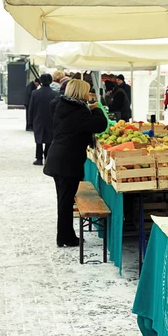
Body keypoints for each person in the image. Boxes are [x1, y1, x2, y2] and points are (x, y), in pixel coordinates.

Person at [43, 79, 107, 247]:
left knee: (64, 200)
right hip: (67, 161)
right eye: (86, 91)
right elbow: (100, 125)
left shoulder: (61, 105)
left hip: (58, 158)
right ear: (80, 93)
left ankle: (67, 234)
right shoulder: (78, 111)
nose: (89, 94)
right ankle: (64, 238)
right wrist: (96, 108)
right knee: (65, 201)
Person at [29, 74, 59, 166]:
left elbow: (31, 108)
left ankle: (39, 158)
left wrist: (30, 121)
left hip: (38, 118)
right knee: (49, 140)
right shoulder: (55, 94)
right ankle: (47, 158)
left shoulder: (35, 93)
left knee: (38, 139)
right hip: (51, 119)